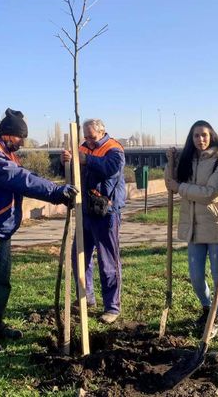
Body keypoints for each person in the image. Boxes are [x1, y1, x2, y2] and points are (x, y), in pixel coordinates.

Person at [0, 108, 78, 354]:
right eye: (20, 138)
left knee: (1, 283)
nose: (22, 143)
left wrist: (57, 186)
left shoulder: (6, 152)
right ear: (8, 134)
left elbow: (28, 175)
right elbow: (17, 178)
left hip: (2, 228)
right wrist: (56, 193)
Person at [165, 120, 218, 338]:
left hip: (216, 225)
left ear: (211, 135)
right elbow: (170, 183)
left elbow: (210, 193)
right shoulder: (187, 159)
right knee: (195, 276)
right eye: (196, 136)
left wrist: (180, 188)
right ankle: (206, 307)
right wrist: (170, 162)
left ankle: (216, 316)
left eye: (204, 135)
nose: (200, 139)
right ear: (191, 138)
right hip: (193, 225)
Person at [61, 119, 126, 324]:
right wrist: (65, 160)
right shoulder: (81, 148)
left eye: (92, 137)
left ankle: (112, 307)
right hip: (84, 210)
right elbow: (70, 169)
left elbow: (110, 169)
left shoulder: (114, 149)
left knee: (107, 261)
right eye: (86, 137)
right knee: (79, 256)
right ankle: (86, 297)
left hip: (106, 212)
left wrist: (85, 159)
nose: (88, 141)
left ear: (102, 132)